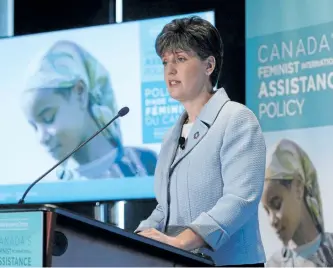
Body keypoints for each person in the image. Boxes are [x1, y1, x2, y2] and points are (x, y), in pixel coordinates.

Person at [135, 16, 266, 267]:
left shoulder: (236, 119)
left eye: (180, 59)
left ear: (209, 65)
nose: (170, 70)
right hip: (181, 262)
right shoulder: (171, 136)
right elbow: (165, 208)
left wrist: (184, 240)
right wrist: (139, 236)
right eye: (165, 62)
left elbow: (240, 199)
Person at [20, 40, 157, 180]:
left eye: (48, 118)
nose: (41, 138)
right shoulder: (53, 184)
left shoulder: (146, 163)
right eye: (34, 127)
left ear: (80, 93)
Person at [262, 138, 333, 267]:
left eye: (276, 204)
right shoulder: (275, 264)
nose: (272, 221)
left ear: (298, 187)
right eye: (267, 211)